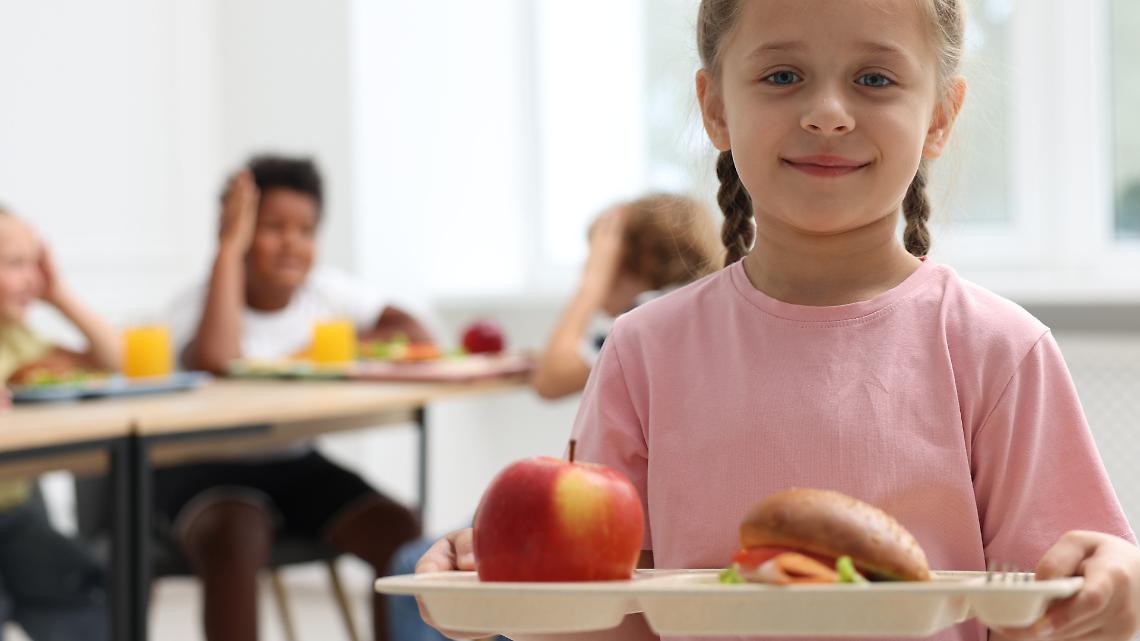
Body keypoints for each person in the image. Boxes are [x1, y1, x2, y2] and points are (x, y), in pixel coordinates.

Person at [413, 1, 1140, 641]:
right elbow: (603, 615)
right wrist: (494, 591)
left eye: (875, 79)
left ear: (941, 116)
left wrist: (1112, 595)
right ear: (716, 107)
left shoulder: (999, 351)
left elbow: (1056, 608)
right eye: (783, 76)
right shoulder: (644, 352)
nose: (828, 111)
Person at [386, 193, 721, 641]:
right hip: (619, 509)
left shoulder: (648, 314)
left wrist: (590, 283)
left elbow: (551, 377)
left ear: (627, 258)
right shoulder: (704, 309)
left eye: (596, 255)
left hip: (608, 518)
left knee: (414, 561)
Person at [157, 156, 425, 641]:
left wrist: (341, 348)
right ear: (238, 235)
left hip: (294, 463)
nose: (291, 244)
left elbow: (411, 329)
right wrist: (226, 252)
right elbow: (215, 360)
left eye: (305, 230)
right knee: (236, 536)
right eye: (271, 228)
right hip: (202, 470)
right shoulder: (198, 302)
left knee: (401, 529)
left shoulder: (324, 292)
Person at [0, 207, 113, 641]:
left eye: (37, 262)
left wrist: (59, 294)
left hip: (15, 514)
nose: (33, 277)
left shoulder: (19, 339)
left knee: (85, 581)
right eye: (16, 264)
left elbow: (115, 362)